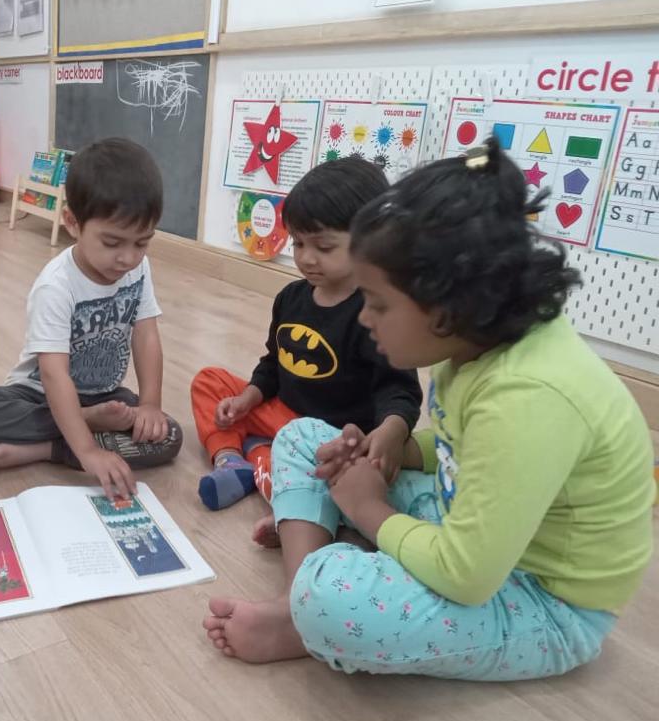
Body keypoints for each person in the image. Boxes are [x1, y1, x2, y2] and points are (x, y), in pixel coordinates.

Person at [203, 139, 655, 680]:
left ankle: (306, 610)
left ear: (444, 305)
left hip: (539, 599)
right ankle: (297, 607)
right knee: (302, 438)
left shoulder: (530, 395)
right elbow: (461, 451)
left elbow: (467, 575)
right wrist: (394, 447)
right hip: (464, 519)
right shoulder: (471, 345)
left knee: (331, 599)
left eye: (378, 303)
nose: (363, 318)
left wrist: (368, 509)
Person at [0, 138, 182, 501]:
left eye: (142, 243)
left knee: (168, 435)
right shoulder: (56, 285)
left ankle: (45, 449)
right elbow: (54, 374)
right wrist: (87, 452)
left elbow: (146, 335)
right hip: (37, 395)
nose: (128, 258)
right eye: (112, 243)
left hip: (104, 394)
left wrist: (150, 404)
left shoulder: (138, 269)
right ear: (72, 222)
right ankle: (83, 426)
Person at [190, 158, 421, 511]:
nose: (307, 258)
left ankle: (266, 462)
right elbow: (274, 363)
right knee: (210, 382)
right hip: (282, 413)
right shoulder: (290, 298)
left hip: (332, 438)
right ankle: (232, 460)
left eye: (323, 247)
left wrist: (392, 431)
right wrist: (248, 398)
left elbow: (399, 389)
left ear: (372, 241)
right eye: (298, 244)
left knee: (330, 471)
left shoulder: (375, 311)